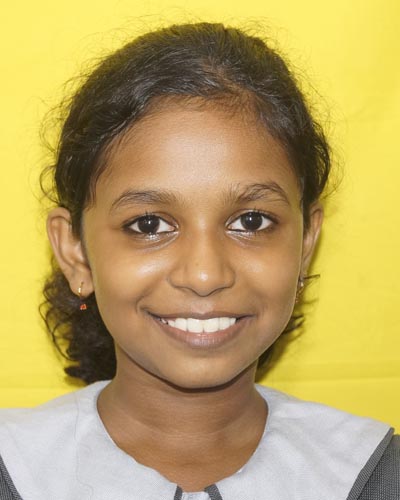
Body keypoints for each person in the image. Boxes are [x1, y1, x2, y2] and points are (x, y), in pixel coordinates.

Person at [0, 22, 398, 500]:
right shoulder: (18, 466)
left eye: (251, 221)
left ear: (306, 242)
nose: (205, 274)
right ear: (75, 253)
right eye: (149, 224)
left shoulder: (378, 474)